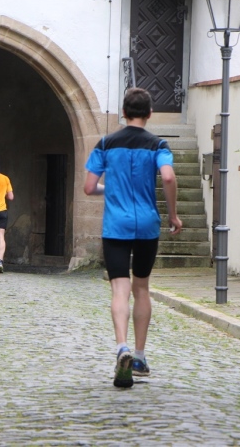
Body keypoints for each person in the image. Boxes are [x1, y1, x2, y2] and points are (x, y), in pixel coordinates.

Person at [84, 87, 182, 388]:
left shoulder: (105, 143)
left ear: (124, 113)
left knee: (119, 288)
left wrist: (110, 190)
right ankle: (139, 356)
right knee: (141, 288)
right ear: (150, 113)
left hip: (116, 226)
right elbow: (168, 176)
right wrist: (173, 214)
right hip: (147, 226)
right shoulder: (158, 144)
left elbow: (89, 187)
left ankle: (121, 347)